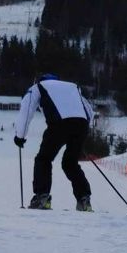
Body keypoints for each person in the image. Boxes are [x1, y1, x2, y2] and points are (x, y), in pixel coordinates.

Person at [14, 73, 95, 211]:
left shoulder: (38, 87)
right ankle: (84, 200)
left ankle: (42, 197)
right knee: (70, 163)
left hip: (59, 124)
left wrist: (20, 136)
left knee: (43, 159)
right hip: (81, 124)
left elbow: (26, 110)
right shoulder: (72, 87)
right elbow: (89, 111)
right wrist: (79, 134)